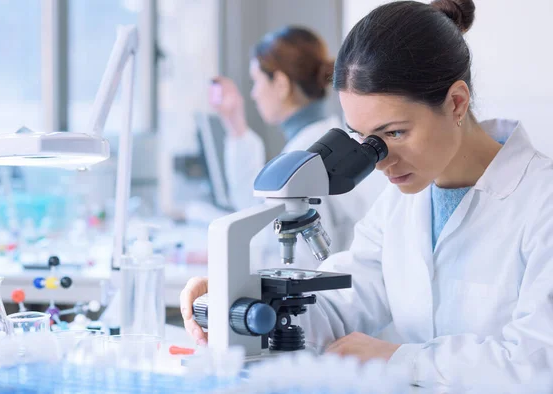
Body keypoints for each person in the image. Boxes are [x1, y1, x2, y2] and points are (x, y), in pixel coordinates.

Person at [181, 0, 553, 387]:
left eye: (394, 133)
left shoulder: (542, 203)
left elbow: (537, 366)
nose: (379, 160)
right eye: (366, 138)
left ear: (456, 103)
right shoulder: (400, 202)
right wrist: (248, 302)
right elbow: (345, 298)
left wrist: (398, 360)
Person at [211, 26, 385, 270]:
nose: (253, 94)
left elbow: (301, 264)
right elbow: (258, 209)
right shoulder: (321, 144)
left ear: (281, 84)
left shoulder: (309, 157)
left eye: (256, 81)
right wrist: (235, 125)